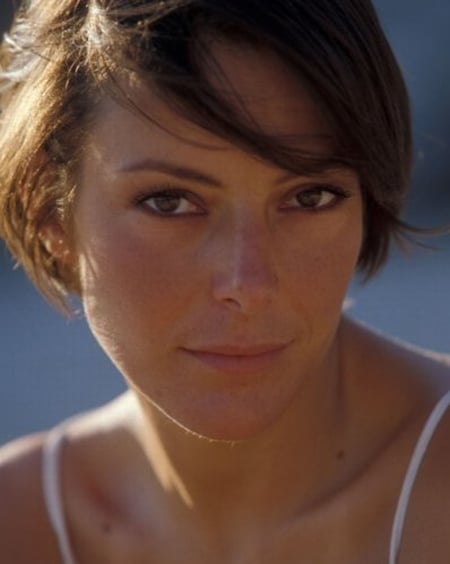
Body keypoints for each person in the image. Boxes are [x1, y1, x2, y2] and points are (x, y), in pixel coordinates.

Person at [0, 0, 449, 562]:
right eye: (170, 202)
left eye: (310, 197)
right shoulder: (18, 524)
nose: (248, 283)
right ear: (48, 209)